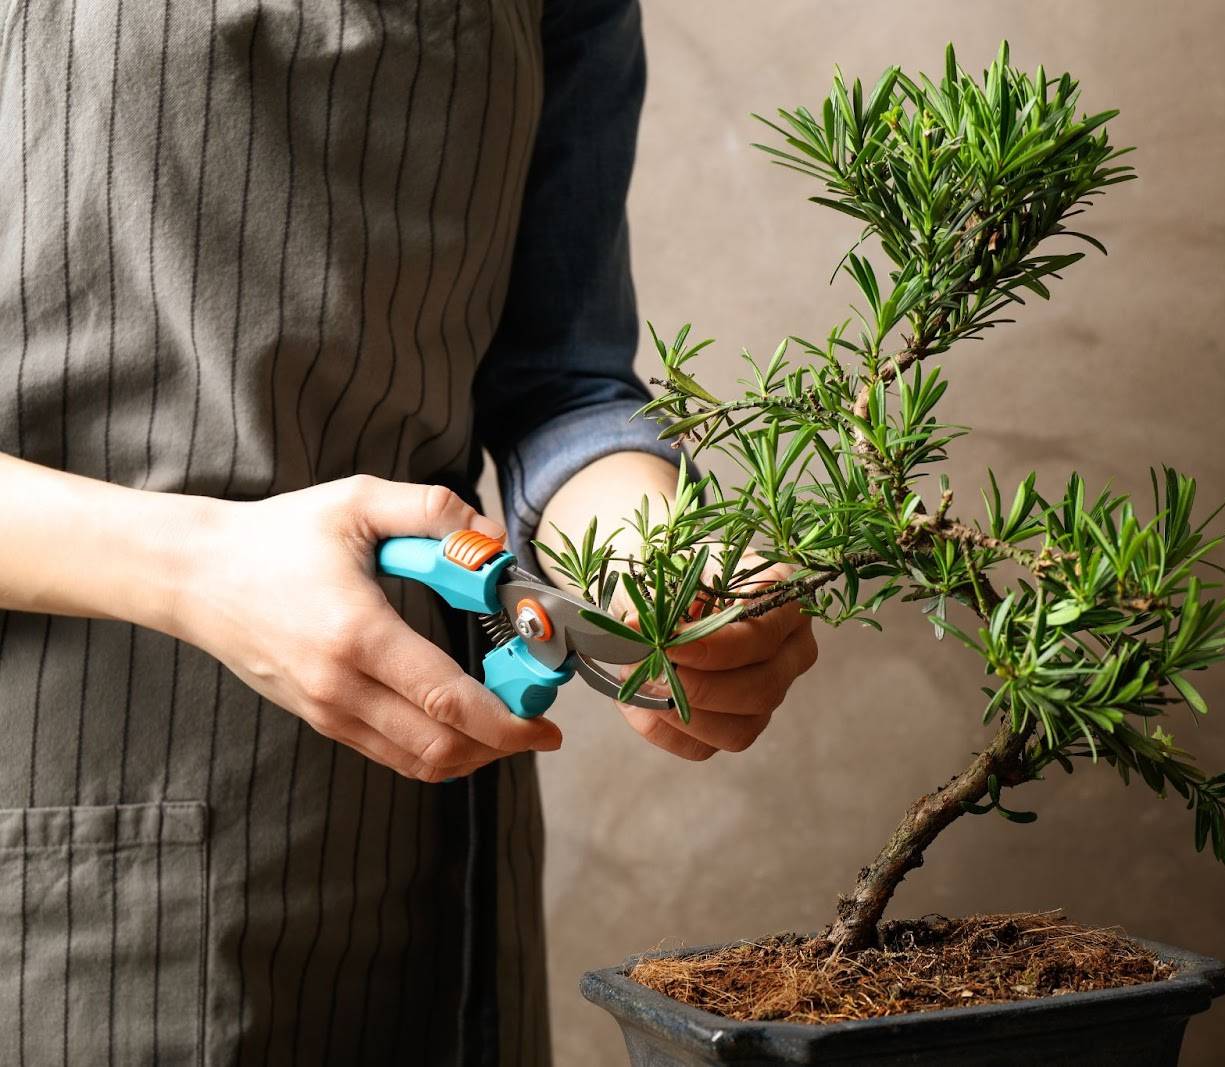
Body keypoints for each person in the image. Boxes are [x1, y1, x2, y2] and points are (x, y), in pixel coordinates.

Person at [0, 0, 818, 1062]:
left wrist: (660, 564)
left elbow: (559, 381)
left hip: (424, 856)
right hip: (58, 842)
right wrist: (199, 567)